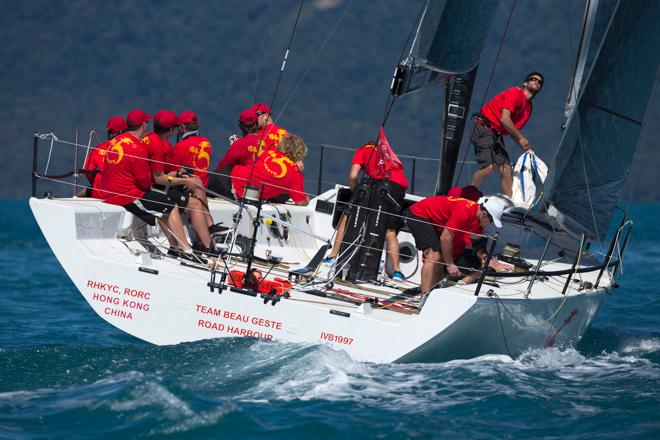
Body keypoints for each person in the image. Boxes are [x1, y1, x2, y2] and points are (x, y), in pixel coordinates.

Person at [97, 109, 200, 262]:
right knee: (171, 206)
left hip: (109, 191)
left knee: (163, 205)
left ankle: (175, 248)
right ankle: (187, 251)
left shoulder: (115, 141)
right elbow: (145, 183)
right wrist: (183, 180)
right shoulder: (137, 149)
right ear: (144, 125)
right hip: (125, 196)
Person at [323, 140, 408, 281]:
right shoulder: (386, 154)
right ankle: (397, 272)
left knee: (347, 217)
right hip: (397, 190)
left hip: (381, 186)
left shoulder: (362, 150)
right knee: (389, 230)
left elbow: (353, 175)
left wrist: (355, 192)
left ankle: (332, 256)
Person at [142, 110, 212, 253]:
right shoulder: (158, 145)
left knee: (193, 184)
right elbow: (159, 178)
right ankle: (206, 246)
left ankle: (183, 245)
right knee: (194, 203)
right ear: (172, 129)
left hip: (146, 185)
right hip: (150, 189)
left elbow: (159, 172)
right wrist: (183, 181)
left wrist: (179, 174)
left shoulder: (150, 138)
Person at [404, 195, 506, 293]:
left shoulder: (477, 219)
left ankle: (434, 293)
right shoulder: (465, 212)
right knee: (433, 256)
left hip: (437, 222)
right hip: (419, 213)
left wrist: (487, 259)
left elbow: (477, 242)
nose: (491, 224)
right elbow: (445, 237)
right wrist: (450, 264)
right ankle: (425, 297)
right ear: (484, 214)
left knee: (442, 258)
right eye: (492, 220)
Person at [470, 71, 544, 197]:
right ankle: (467, 194)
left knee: (506, 169)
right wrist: (521, 138)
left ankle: (512, 203)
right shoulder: (515, 93)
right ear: (525, 83)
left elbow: (512, 131)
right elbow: (505, 119)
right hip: (484, 127)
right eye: (533, 79)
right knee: (489, 165)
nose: (536, 82)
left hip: (496, 134)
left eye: (539, 82)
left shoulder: (528, 108)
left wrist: (526, 149)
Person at [167, 110, 215, 242]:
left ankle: (203, 237)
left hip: (189, 189)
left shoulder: (179, 147)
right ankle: (210, 227)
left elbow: (171, 172)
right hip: (203, 188)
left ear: (182, 127)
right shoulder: (206, 143)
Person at [231, 133, 309, 206]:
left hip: (227, 175)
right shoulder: (295, 174)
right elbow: (301, 202)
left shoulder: (267, 151)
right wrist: (307, 199)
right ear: (300, 154)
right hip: (239, 194)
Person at [208, 108, 261, 198]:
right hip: (261, 189)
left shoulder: (240, 144)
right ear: (257, 124)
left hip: (241, 189)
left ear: (240, 126)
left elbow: (222, 166)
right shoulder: (266, 143)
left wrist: (234, 146)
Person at [82, 116, 127, 198]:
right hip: (120, 197)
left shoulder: (96, 150)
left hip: (98, 195)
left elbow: (88, 172)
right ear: (122, 132)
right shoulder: (127, 150)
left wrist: (97, 185)